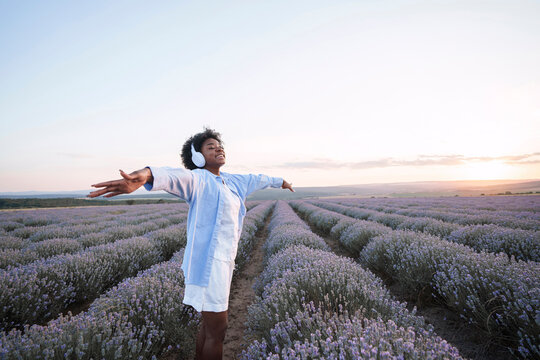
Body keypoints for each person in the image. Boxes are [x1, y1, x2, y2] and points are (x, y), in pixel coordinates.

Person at [87, 128, 294, 360]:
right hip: (208, 265)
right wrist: (144, 175)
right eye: (210, 147)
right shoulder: (198, 180)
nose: (218, 148)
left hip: (224, 263)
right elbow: (172, 175)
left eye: (219, 145)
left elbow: (258, 179)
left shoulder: (234, 181)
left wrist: (281, 182)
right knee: (218, 330)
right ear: (197, 157)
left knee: (208, 327)